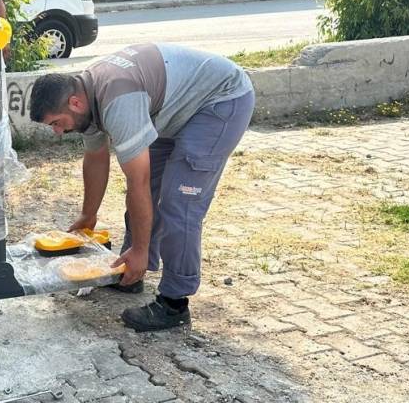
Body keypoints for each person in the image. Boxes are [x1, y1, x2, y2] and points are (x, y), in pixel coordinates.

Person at [28, 43, 254, 331]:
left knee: (178, 203)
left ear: (74, 103)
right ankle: (130, 272)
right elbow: (96, 158)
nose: (58, 132)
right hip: (177, 108)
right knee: (149, 190)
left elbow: (138, 182)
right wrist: (88, 215)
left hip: (219, 101)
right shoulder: (88, 95)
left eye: (57, 124)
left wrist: (142, 248)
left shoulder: (117, 100)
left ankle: (174, 303)